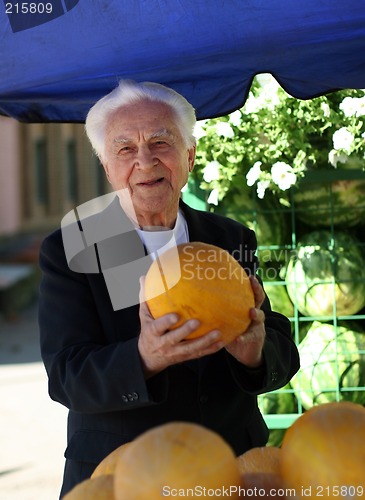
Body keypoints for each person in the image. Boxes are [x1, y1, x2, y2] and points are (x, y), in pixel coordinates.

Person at [38, 80, 300, 498]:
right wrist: (143, 358)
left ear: (190, 156)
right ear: (107, 166)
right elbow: (66, 376)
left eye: (161, 142)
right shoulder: (75, 246)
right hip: (122, 475)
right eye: (124, 149)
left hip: (229, 468)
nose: (144, 161)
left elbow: (281, 345)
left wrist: (255, 355)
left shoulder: (230, 238)